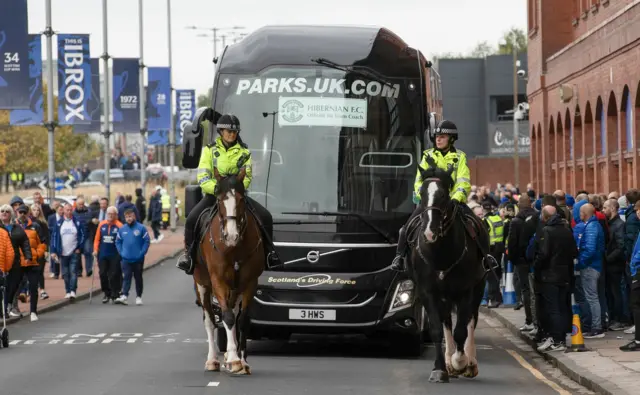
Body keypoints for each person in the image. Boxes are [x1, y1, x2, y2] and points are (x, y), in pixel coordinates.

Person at [176, 114, 278, 274]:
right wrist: (218, 190)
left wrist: (236, 191)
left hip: (237, 196)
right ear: (221, 131)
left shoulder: (244, 151)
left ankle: (269, 255)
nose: (232, 134)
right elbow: (203, 177)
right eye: (228, 131)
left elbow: (248, 175)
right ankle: (188, 256)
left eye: (235, 132)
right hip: (214, 195)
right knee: (191, 219)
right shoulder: (209, 151)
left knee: (265, 216)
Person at [391, 119, 477, 271]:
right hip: (430, 202)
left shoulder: (460, 157)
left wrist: (456, 199)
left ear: (451, 139)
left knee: (476, 225)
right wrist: (424, 196)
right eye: (437, 136)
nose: (438, 139)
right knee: (406, 228)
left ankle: (485, 259)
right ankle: (399, 257)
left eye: (442, 136)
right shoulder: (427, 155)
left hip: (452, 202)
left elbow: (463, 182)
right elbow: (419, 181)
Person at [115, 208, 150, 305]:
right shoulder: (122, 229)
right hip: (126, 258)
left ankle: (139, 296)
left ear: (134, 216)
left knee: (138, 277)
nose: (128, 219)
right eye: (127, 217)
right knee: (126, 276)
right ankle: (125, 295)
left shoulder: (141, 228)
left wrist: (142, 253)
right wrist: (121, 252)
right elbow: (118, 241)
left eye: (130, 216)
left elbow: (146, 241)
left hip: (138, 258)